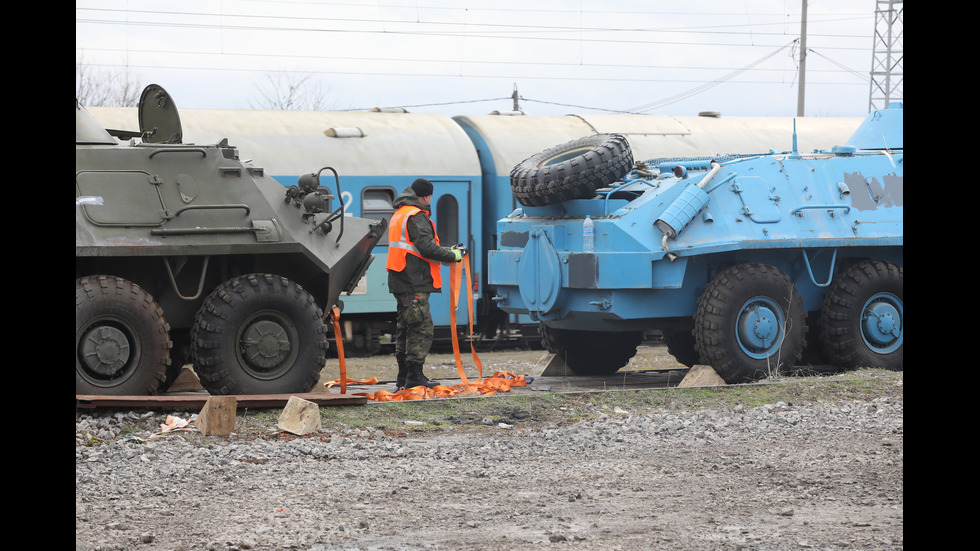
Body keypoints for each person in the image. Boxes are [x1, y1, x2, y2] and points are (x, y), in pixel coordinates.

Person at [386, 178, 465, 389]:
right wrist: (454, 255)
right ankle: (414, 376)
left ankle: (403, 377)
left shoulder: (400, 213)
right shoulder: (416, 215)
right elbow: (426, 247)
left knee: (405, 328)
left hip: (401, 278)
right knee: (421, 328)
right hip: (413, 280)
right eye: (431, 196)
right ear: (427, 196)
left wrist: (448, 251)